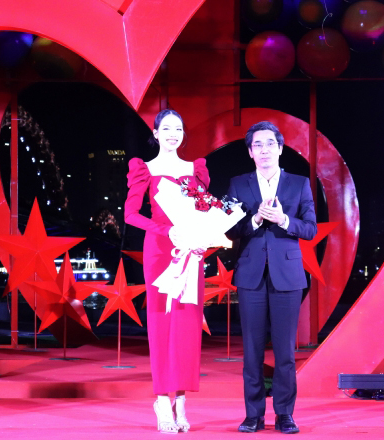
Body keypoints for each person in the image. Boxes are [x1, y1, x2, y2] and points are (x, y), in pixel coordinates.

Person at [226, 121, 317, 434]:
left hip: (288, 276)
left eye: (269, 144)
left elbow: (310, 228)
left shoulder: (298, 183)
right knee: (251, 351)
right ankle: (253, 415)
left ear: (280, 148)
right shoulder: (238, 184)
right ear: (251, 153)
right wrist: (254, 218)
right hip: (251, 275)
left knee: (285, 352)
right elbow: (230, 229)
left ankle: (284, 414)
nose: (264, 150)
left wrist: (283, 220)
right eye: (257, 146)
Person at [124, 109, 208, 433]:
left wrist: (204, 236)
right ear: (156, 133)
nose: (173, 134)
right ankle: (162, 401)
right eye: (167, 129)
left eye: (179, 129)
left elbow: (203, 210)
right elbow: (131, 214)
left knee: (187, 324)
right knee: (161, 326)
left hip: (190, 252)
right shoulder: (144, 169)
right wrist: (163, 230)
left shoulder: (195, 169)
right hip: (159, 251)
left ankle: (182, 402)